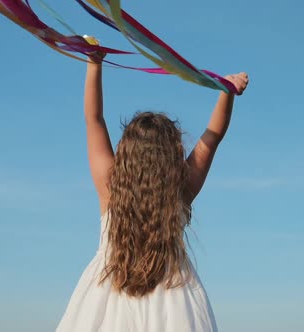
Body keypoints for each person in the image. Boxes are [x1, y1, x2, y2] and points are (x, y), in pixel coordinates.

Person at [56, 43, 249, 332]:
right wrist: (227, 91)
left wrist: (94, 63)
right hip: (174, 306)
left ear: (126, 154)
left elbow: (93, 120)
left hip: (106, 302)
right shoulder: (180, 193)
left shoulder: (111, 188)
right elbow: (213, 137)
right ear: (171, 157)